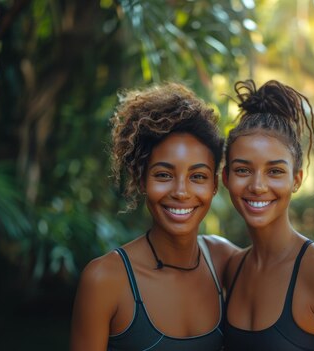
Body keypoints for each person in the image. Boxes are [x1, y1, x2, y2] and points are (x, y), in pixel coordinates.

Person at [70, 82, 238, 351]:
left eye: (198, 177)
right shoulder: (105, 280)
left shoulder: (224, 261)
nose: (181, 192)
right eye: (163, 175)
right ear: (141, 179)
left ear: (215, 186)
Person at [222, 79, 314, 351]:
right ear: (225, 177)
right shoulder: (232, 269)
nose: (257, 186)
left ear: (297, 180)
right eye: (243, 170)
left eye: (275, 171)